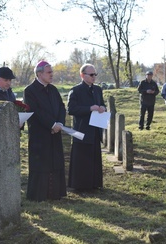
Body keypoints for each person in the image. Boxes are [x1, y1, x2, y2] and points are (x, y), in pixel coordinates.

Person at [24, 61, 67, 201]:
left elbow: (61, 107)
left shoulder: (53, 89)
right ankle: (39, 195)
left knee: (55, 162)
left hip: (55, 132)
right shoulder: (30, 90)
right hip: (40, 135)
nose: (52, 74)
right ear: (39, 73)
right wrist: (51, 124)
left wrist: (59, 123)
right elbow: (35, 111)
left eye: (52, 72)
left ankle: (55, 194)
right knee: (42, 163)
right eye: (49, 72)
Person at [67, 63, 106, 191]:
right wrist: (89, 108)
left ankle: (94, 183)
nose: (94, 77)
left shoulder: (98, 89)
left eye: (95, 74)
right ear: (82, 75)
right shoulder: (76, 90)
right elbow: (71, 109)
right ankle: (80, 185)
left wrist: (102, 108)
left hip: (95, 128)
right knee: (81, 159)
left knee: (94, 157)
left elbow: (102, 104)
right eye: (91, 74)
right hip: (81, 129)